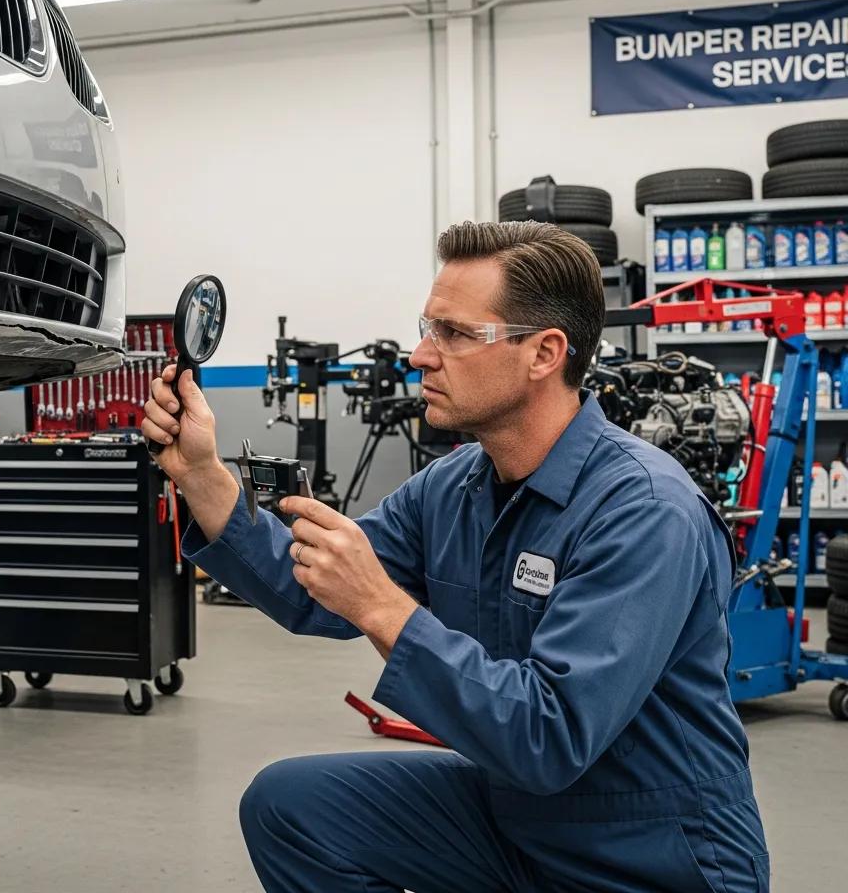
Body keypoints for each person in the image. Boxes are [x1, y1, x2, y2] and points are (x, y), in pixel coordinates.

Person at [143, 220, 769, 893]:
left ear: (545, 354)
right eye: (427, 326)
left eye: (455, 334)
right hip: (519, 818)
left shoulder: (644, 510)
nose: (420, 354)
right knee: (290, 807)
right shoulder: (455, 485)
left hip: (651, 852)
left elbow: (548, 737)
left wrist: (384, 607)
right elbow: (310, 589)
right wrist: (203, 475)